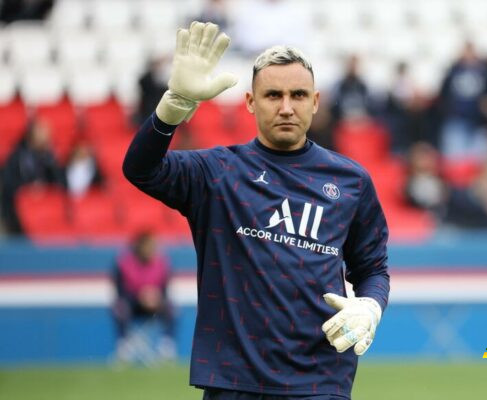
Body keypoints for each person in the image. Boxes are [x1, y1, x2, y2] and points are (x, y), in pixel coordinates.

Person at [122, 22, 390, 399]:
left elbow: (373, 268)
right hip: (233, 378)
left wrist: (370, 307)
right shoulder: (216, 173)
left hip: (320, 380)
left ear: (315, 102)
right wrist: (173, 107)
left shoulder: (351, 181)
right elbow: (140, 169)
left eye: (298, 95)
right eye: (272, 95)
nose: (286, 107)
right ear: (250, 102)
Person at [112, 231, 176, 361]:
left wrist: (154, 297)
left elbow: (165, 289)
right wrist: (140, 296)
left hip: (155, 303)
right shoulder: (125, 263)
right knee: (120, 308)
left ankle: (167, 344)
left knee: (170, 307)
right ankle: (124, 345)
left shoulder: (162, 263)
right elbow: (120, 290)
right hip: (132, 303)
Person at [1, 118, 65, 234]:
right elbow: (9, 184)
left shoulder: (48, 156)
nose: (46, 137)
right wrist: (29, 189)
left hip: (44, 209)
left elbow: (59, 182)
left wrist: (51, 161)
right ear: (32, 135)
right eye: (42, 133)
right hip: (18, 213)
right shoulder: (17, 156)